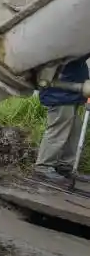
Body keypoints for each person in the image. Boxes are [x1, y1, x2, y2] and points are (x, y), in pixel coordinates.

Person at [34, 54, 90, 182]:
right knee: (59, 129)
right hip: (60, 92)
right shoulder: (67, 44)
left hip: (73, 91)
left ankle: (65, 166)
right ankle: (44, 166)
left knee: (75, 130)